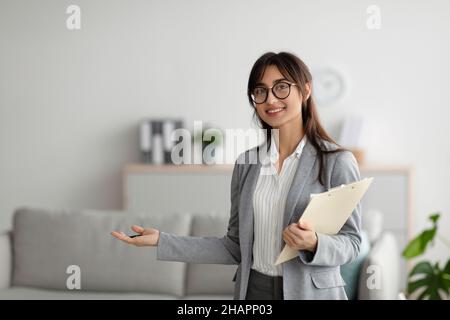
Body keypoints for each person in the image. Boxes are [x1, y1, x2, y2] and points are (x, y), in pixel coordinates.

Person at [111, 51, 362, 300]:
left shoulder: (336, 161)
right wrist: (161, 241)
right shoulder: (247, 163)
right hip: (253, 290)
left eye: (281, 87)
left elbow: (351, 243)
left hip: (310, 293)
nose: (270, 99)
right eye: (260, 91)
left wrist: (315, 242)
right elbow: (233, 247)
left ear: (306, 90)